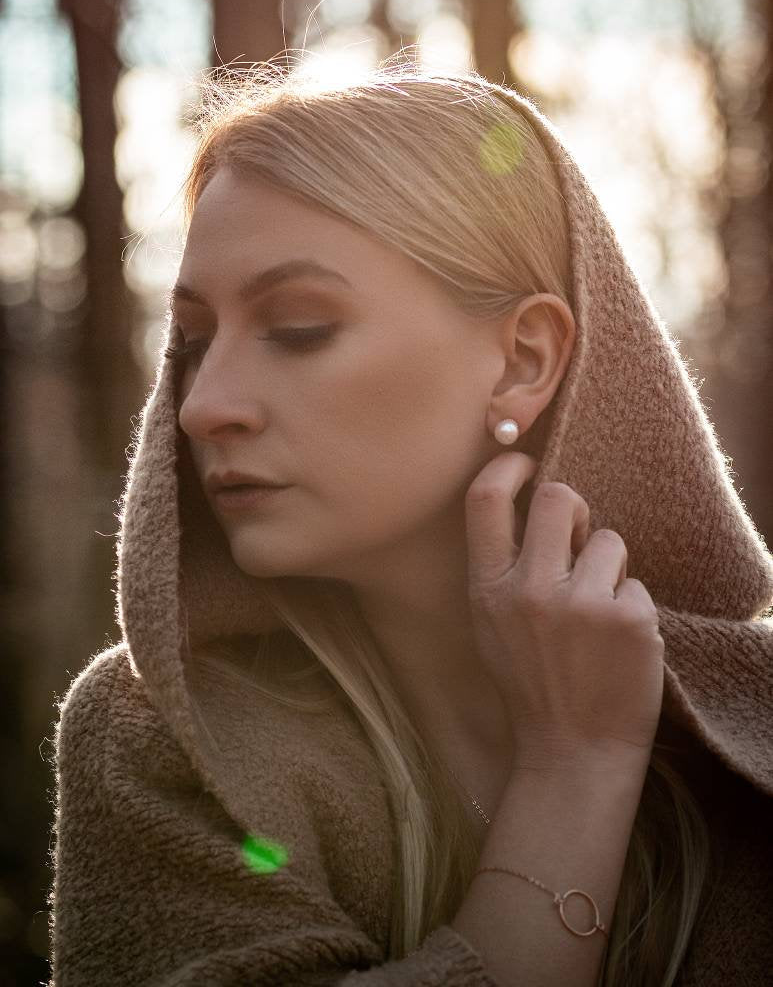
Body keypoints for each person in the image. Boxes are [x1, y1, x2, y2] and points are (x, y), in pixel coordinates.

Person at [47, 59, 773, 987]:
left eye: (299, 326)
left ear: (521, 360)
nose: (202, 405)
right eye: (190, 344)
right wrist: (575, 768)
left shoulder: (748, 740)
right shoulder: (166, 745)